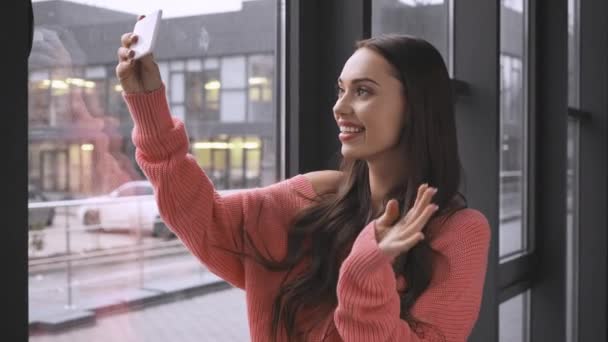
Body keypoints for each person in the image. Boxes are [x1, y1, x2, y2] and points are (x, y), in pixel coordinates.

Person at [117, 20, 490, 341]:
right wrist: (148, 102)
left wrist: (366, 268)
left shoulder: (459, 234)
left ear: (416, 106)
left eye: (363, 91)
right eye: (341, 90)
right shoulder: (313, 196)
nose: (339, 107)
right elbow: (205, 220)